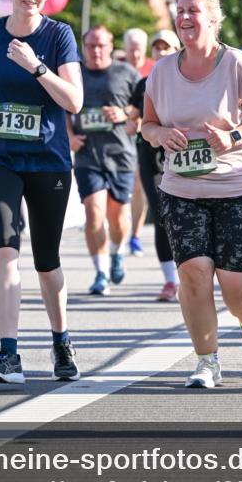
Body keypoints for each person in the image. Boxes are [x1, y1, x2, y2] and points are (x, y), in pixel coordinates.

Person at [142, 0, 242, 389]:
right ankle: (207, 362)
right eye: (180, 10)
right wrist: (159, 135)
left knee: (235, 285)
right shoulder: (162, 71)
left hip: (237, 186)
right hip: (182, 189)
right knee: (195, 274)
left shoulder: (237, 64)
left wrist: (233, 137)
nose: (185, 17)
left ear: (214, 18)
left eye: (194, 10)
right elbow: (146, 124)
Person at [0, 0, 83, 383]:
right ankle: (9, 354)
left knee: (47, 262)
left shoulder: (59, 35)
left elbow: (74, 101)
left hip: (49, 160)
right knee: (5, 249)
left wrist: (37, 66)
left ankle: (61, 340)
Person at [68, 25, 140, 296]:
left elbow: (143, 108)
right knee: (94, 213)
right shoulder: (75, 74)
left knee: (118, 217)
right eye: (91, 46)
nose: (96, 51)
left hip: (120, 155)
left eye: (101, 45)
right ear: (84, 48)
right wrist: (70, 135)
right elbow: (63, 108)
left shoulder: (127, 73)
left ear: (111, 47)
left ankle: (117, 251)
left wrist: (124, 114)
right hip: (88, 156)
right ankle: (100, 272)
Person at [128, 29, 182, 300]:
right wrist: (129, 121)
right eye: (157, 48)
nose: (161, 52)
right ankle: (170, 280)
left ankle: (191, 271)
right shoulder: (143, 84)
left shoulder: (188, 82)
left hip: (183, 156)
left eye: (167, 47)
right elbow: (133, 121)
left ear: (177, 50)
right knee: (162, 213)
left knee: (183, 214)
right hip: (151, 157)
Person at [123, 28, 154, 254]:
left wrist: (141, 122)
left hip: (145, 136)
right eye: (131, 49)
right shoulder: (118, 69)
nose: (135, 54)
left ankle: (134, 235)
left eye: (139, 49)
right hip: (118, 135)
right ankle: (121, 230)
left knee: (138, 185)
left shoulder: (154, 69)